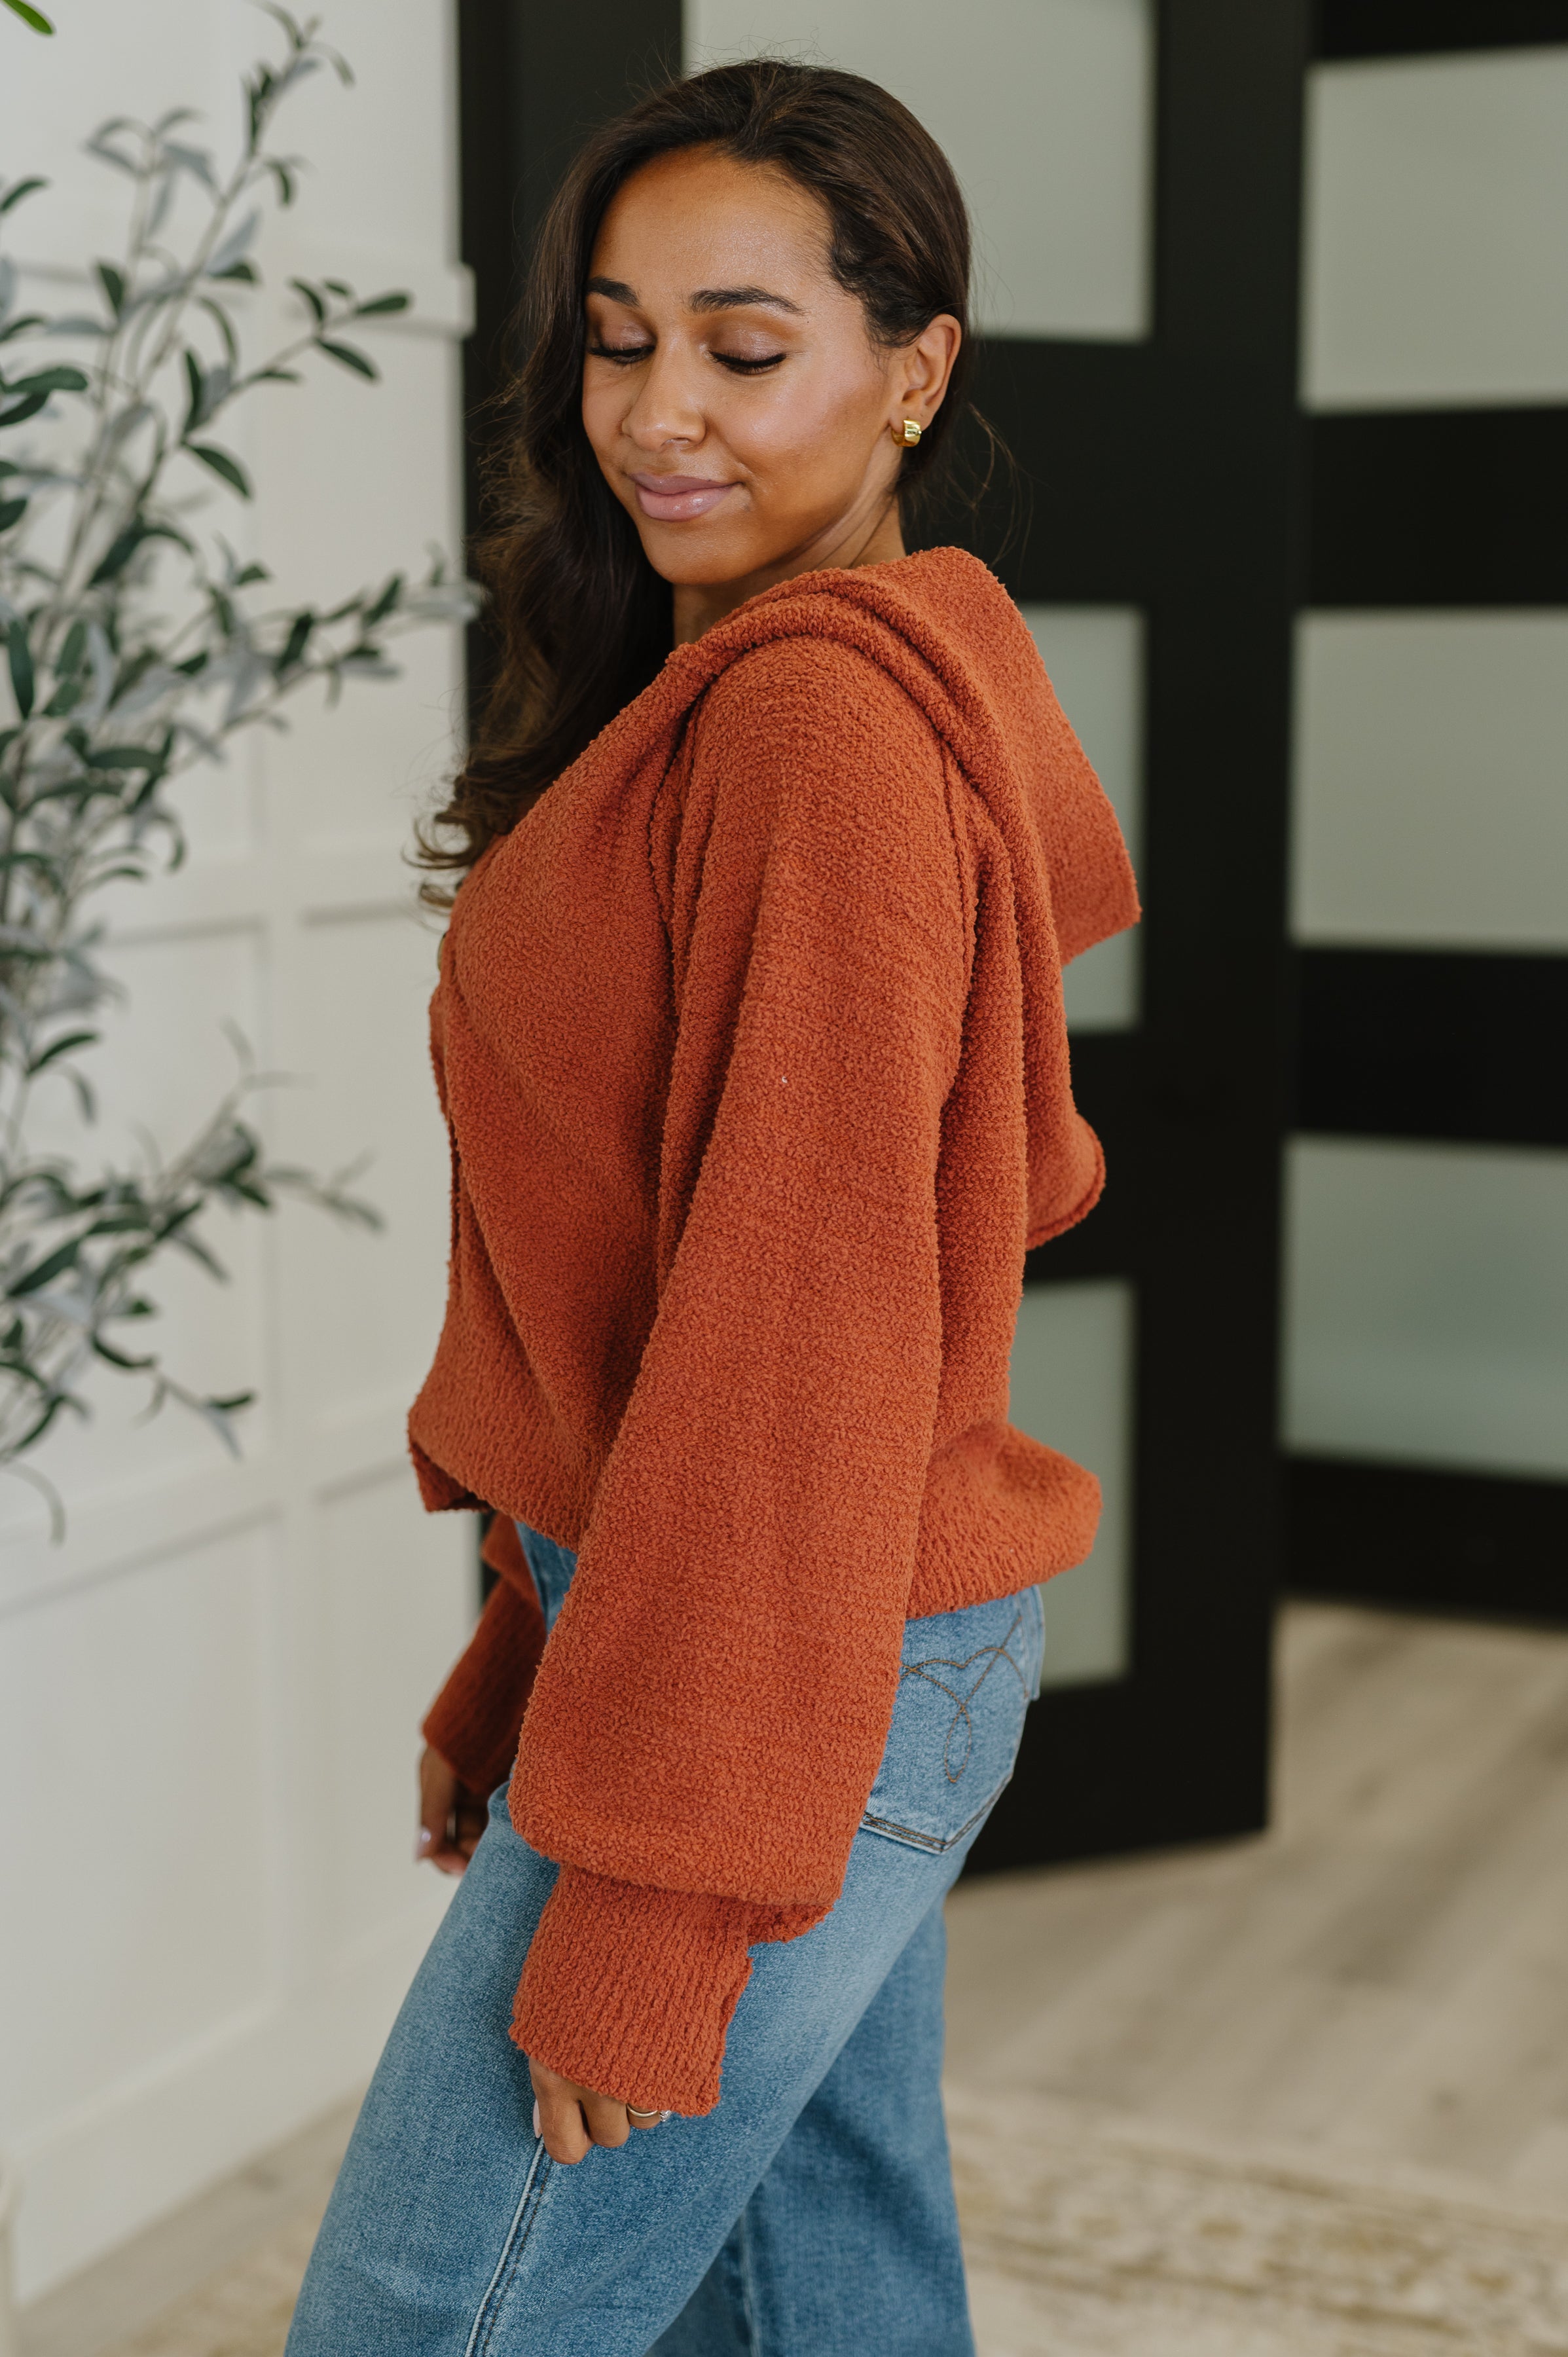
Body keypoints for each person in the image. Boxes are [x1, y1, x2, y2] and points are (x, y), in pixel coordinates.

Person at [284, 56, 1138, 2357]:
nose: (656, 414)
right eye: (616, 338)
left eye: (745, 350)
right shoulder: (753, 690)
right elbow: (653, 1275)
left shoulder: (812, 735)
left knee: (418, 2325)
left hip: (783, 1681)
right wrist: (533, 1633)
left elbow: (794, 1326)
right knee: (822, 2302)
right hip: (801, 1636)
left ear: (911, 371)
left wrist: (653, 1892)